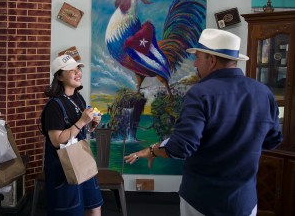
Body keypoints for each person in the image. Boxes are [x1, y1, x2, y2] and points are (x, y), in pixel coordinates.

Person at [124, 29, 283, 216]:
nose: (195, 63)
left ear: (212, 60)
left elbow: (181, 147)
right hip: (244, 202)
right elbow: (273, 140)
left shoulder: (200, 93)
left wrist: (153, 151)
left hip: (202, 201)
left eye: (198, 57)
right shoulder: (263, 92)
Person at [40, 54, 103, 216]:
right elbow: (56, 141)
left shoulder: (77, 98)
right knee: (71, 212)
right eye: (71, 70)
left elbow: (78, 132)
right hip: (63, 168)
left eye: (78, 69)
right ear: (59, 76)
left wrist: (90, 125)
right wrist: (82, 121)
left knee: (94, 205)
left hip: (82, 161)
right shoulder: (54, 106)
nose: (77, 73)